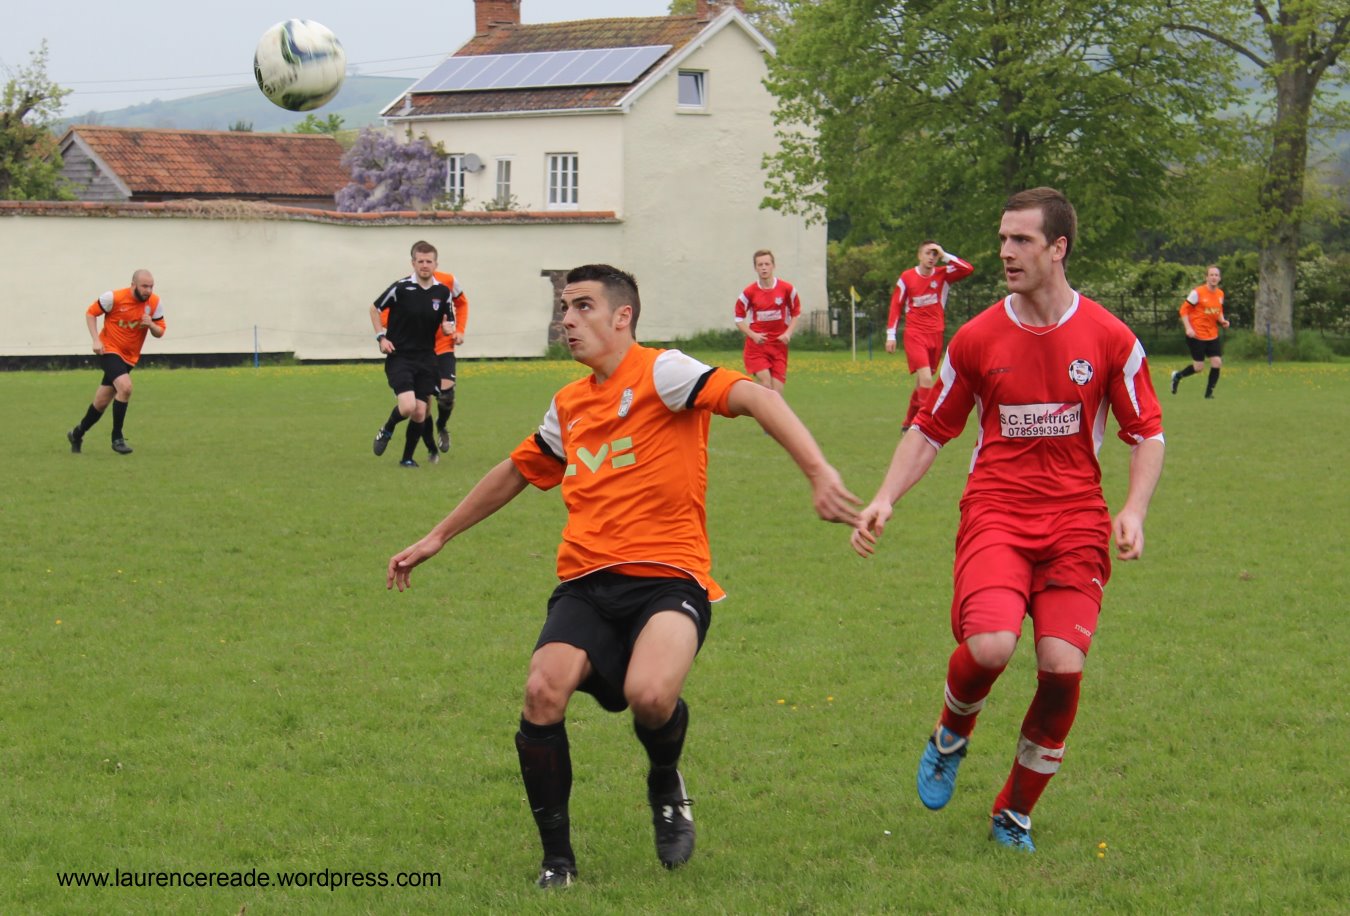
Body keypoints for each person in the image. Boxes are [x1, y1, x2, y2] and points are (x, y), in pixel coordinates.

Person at [388, 264, 859, 888]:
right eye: (564, 307)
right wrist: (437, 536)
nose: (567, 319)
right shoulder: (569, 403)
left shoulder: (663, 372)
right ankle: (557, 861)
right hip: (586, 582)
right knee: (542, 692)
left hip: (668, 577)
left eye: (582, 306)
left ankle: (665, 782)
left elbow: (755, 396)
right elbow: (517, 470)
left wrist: (819, 472)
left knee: (651, 697)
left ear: (622, 316)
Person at [851, 188, 1165, 853]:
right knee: (992, 646)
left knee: (1062, 667)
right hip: (996, 512)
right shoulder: (977, 338)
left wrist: (1134, 509)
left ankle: (1013, 812)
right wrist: (884, 496)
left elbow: (1148, 433)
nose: (1005, 252)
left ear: (1058, 248)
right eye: (1002, 239)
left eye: (1021, 240)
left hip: (1076, 521)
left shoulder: (1109, 337)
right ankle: (951, 732)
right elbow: (930, 428)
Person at [370, 241, 455, 468]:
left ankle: (407, 458)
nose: (425, 265)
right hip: (400, 356)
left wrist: (449, 329)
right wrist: (381, 337)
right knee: (407, 407)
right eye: (420, 261)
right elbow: (374, 309)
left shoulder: (443, 292)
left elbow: (449, 321)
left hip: (427, 358)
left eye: (429, 261)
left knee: (420, 412)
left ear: (436, 264)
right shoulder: (401, 288)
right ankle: (387, 429)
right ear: (413, 263)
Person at [66, 270, 166, 455]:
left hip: (130, 357)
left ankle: (77, 434)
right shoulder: (113, 297)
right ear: (133, 285)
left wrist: (151, 325)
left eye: (151, 286)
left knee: (101, 402)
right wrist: (96, 340)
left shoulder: (154, 302)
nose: (148, 290)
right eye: (144, 286)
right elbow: (91, 313)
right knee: (125, 388)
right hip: (109, 350)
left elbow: (160, 332)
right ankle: (117, 437)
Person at [886, 241, 974, 429]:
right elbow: (896, 305)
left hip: (935, 334)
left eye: (935, 254)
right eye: (928, 253)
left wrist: (945, 255)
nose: (931, 257)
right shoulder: (907, 277)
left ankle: (908, 422)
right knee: (927, 379)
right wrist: (891, 335)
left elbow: (967, 269)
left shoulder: (943, 274)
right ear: (919, 255)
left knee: (921, 383)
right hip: (914, 334)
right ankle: (925, 424)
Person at [734, 249, 801, 393]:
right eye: (760, 265)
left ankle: (753, 403)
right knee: (766, 384)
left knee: (776, 393)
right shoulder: (749, 292)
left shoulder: (787, 289)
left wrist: (788, 333)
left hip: (778, 346)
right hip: (757, 347)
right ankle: (751, 400)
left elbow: (796, 312)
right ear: (755, 268)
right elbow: (738, 319)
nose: (764, 268)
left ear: (773, 266)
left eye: (767, 264)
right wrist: (753, 335)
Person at [1170, 265, 1228, 399]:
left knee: (1217, 362)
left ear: (1219, 278)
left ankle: (1209, 394)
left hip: (1212, 335)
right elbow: (1183, 310)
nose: (1214, 277)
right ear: (1206, 277)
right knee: (1198, 367)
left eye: (1216, 275)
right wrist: (1188, 328)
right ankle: (1177, 376)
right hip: (1196, 335)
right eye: (1211, 275)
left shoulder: (1220, 294)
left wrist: (1223, 320)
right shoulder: (1197, 293)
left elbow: (1218, 310)